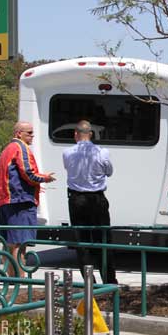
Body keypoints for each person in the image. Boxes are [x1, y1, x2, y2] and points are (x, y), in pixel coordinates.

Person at [0, 122, 56, 277]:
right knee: (19, 243)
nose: (32, 136)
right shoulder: (20, 148)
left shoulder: (7, 149)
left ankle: (13, 280)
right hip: (20, 202)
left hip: (7, 201)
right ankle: (20, 281)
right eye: (29, 132)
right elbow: (28, 173)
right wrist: (45, 178)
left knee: (10, 243)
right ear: (19, 134)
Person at [63, 120, 117, 284]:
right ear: (91, 134)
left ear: (75, 134)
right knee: (103, 239)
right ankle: (109, 280)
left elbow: (68, 169)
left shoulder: (67, 152)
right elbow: (109, 172)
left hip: (76, 199)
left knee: (82, 240)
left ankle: (89, 281)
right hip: (96, 198)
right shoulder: (102, 152)